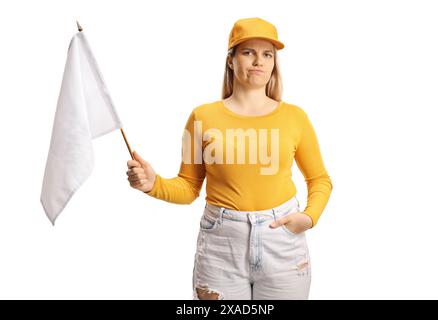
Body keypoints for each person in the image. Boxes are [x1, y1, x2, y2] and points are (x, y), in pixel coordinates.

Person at [126, 17, 333, 300]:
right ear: (231, 60)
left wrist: (308, 218)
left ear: (274, 63)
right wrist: (153, 184)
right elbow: (188, 188)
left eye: (267, 54)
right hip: (221, 246)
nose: (258, 61)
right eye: (248, 52)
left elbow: (320, 179)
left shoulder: (295, 118)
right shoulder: (202, 117)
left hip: (282, 245)